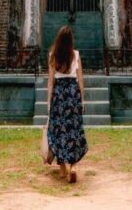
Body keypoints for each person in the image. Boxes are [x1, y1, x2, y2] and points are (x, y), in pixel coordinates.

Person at [46, 25, 88, 183]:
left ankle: (64, 167)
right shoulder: (75, 55)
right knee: (73, 130)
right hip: (72, 93)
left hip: (59, 94)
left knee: (59, 130)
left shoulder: (53, 55)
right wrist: (82, 99)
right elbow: (80, 80)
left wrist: (48, 102)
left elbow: (50, 82)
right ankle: (73, 166)